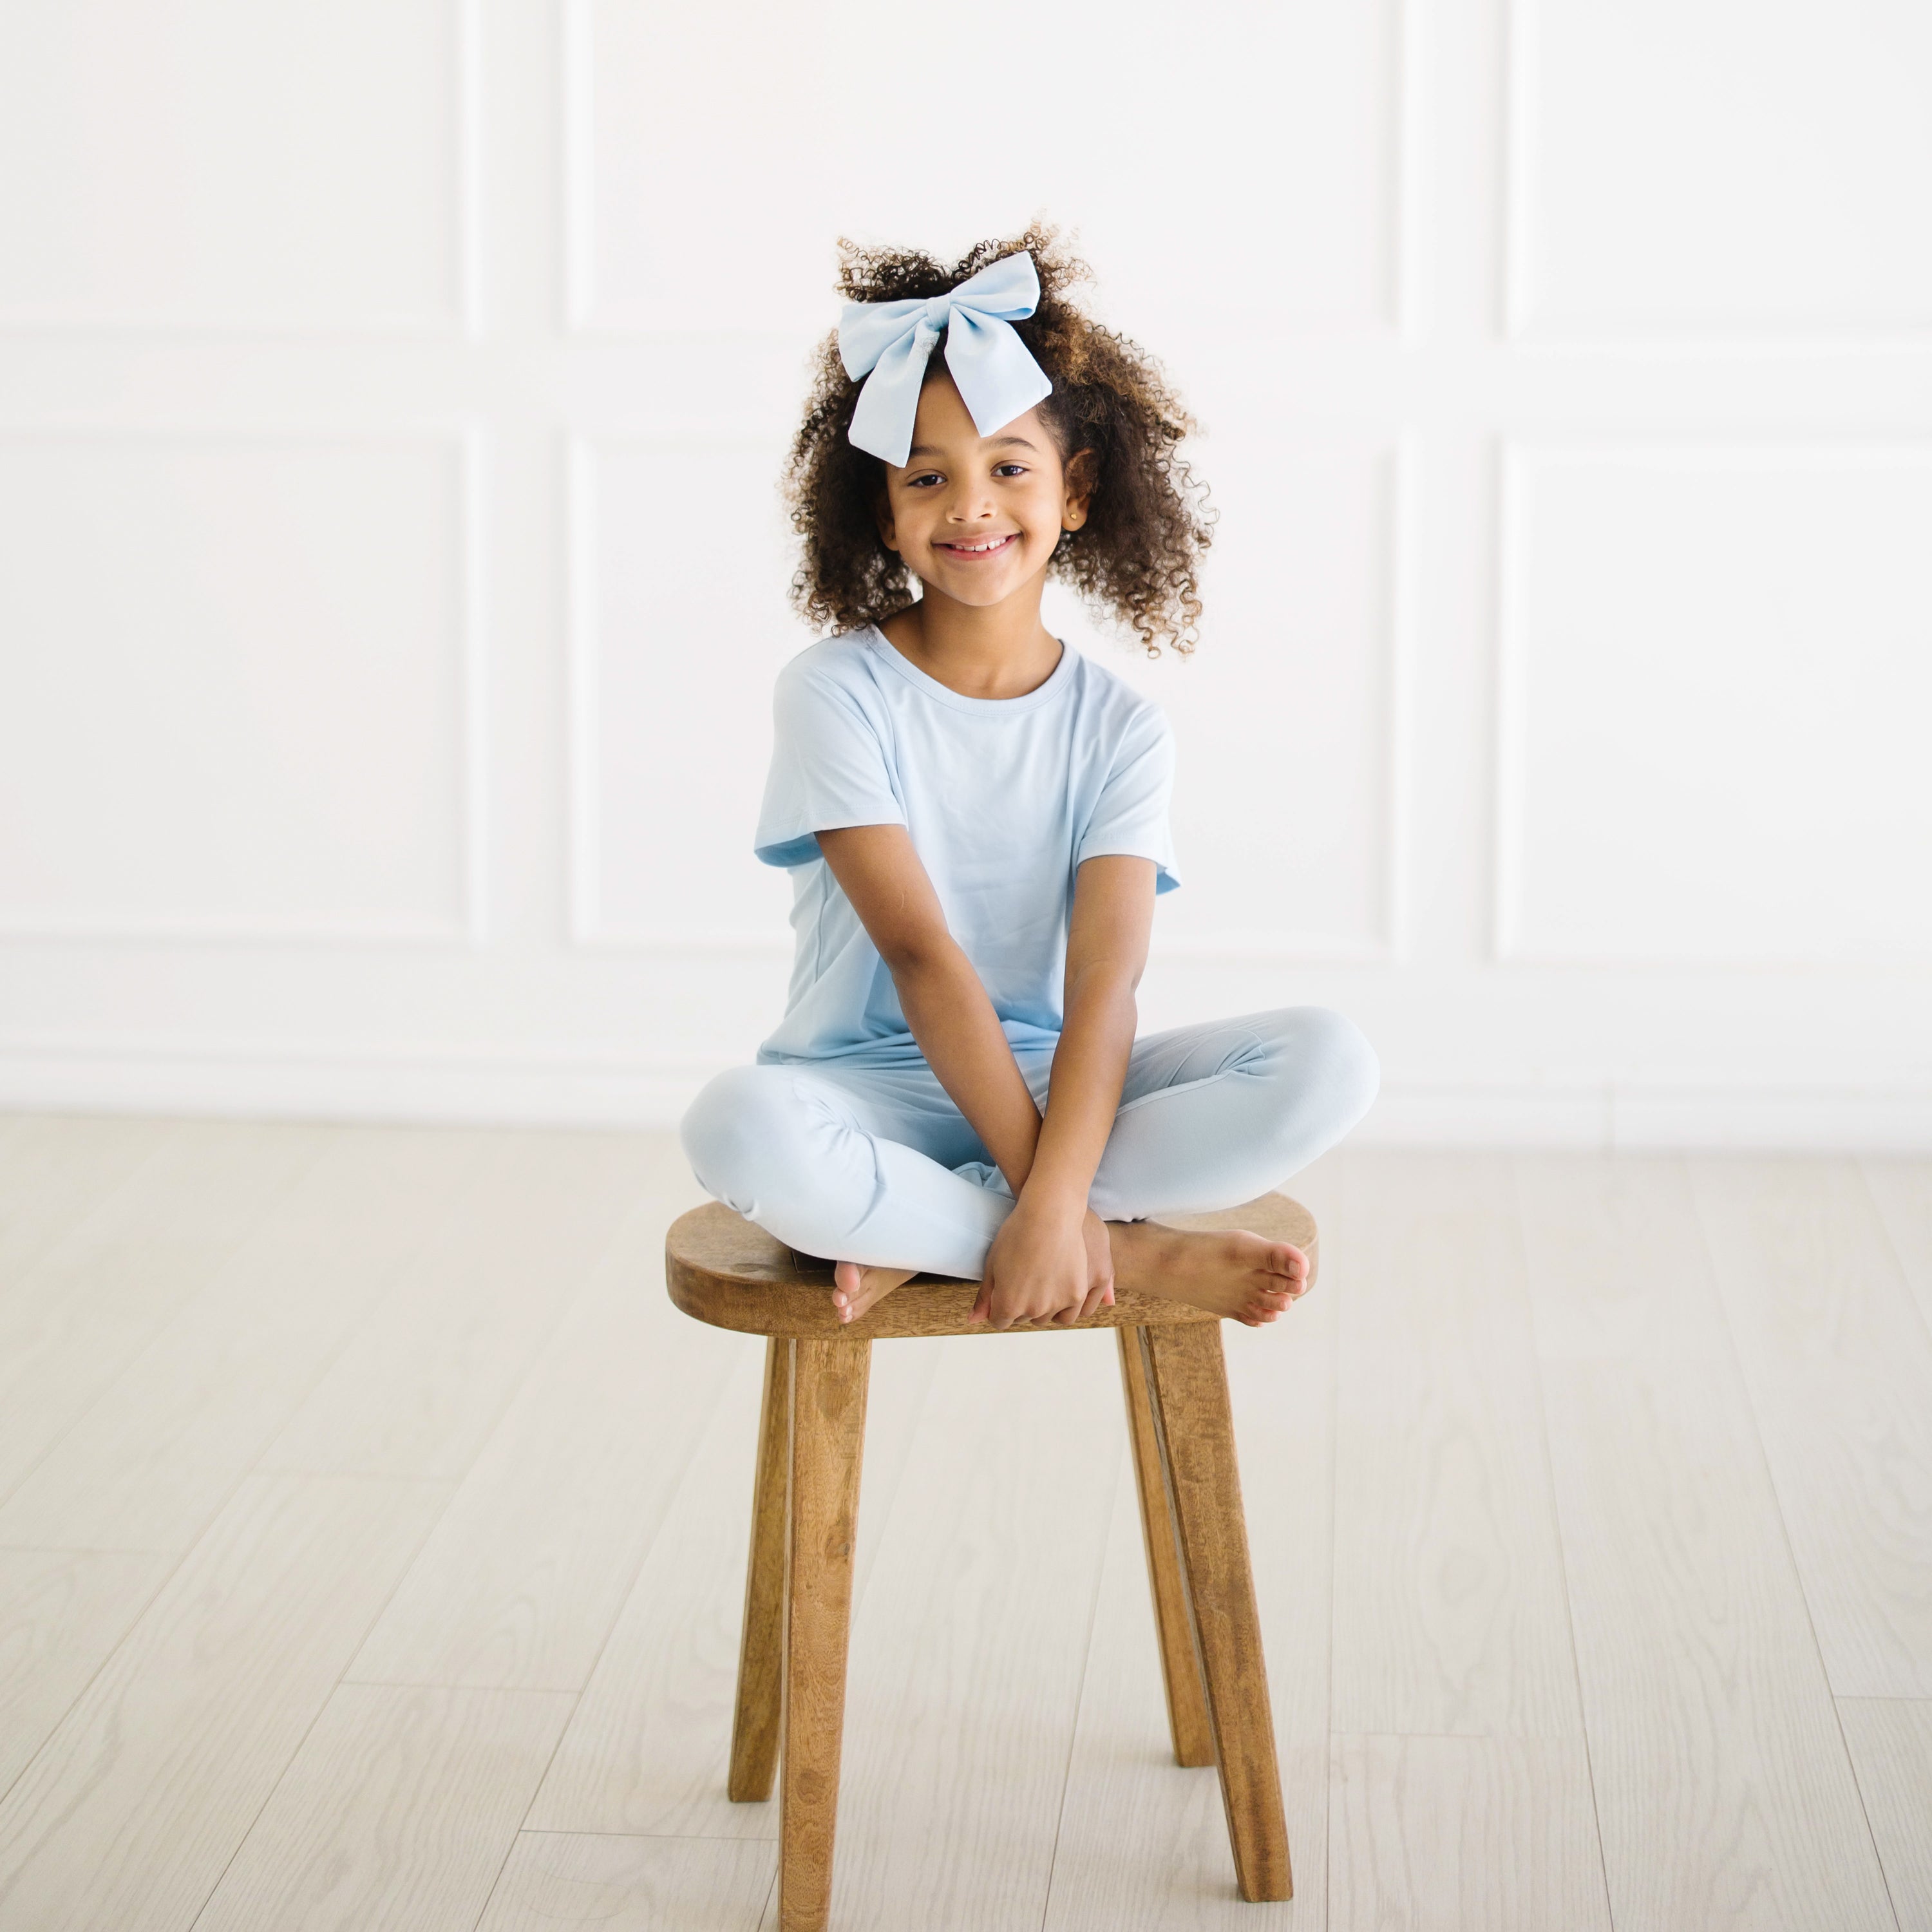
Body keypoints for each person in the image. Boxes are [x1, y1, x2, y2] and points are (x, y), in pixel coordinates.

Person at [681, 227, 1379, 1333]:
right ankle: (1126, 1252)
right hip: (867, 1091)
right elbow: (920, 956)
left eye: (1010, 468)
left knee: (1331, 1061)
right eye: (928, 478)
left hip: (1060, 1089)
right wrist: (1060, 1208)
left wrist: (1053, 1187)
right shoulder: (833, 691)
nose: (972, 508)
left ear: (1078, 491)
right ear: (884, 511)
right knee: (734, 1125)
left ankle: (942, 1230)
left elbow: (1107, 986)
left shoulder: (1120, 729)